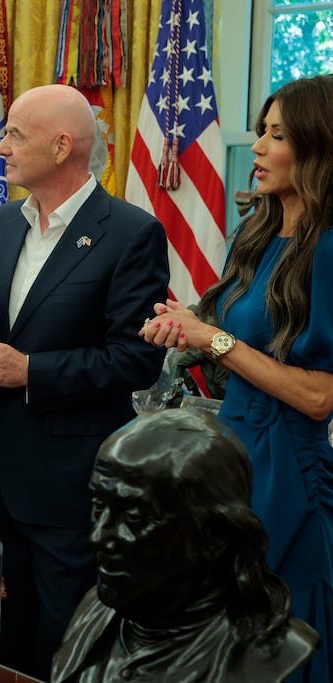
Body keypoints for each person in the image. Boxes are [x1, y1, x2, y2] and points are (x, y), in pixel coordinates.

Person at [0, 84, 169, 678]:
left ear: (62, 144)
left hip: (69, 481)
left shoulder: (130, 233)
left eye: (15, 134)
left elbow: (135, 359)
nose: (1, 146)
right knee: (2, 635)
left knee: (64, 637)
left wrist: (31, 372)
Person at [142, 74, 333, 683]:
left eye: (275, 135)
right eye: (261, 132)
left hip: (291, 475)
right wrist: (187, 325)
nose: (255, 148)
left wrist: (214, 340)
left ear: (317, 147)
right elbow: (236, 336)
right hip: (236, 457)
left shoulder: (327, 250)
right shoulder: (255, 234)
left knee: (278, 646)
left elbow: (318, 395)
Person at [53, 408, 319, 682]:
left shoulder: (271, 651)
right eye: (99, 506)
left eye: (133, 516)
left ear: (214, 533)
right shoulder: (93, 608)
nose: (100, 537)